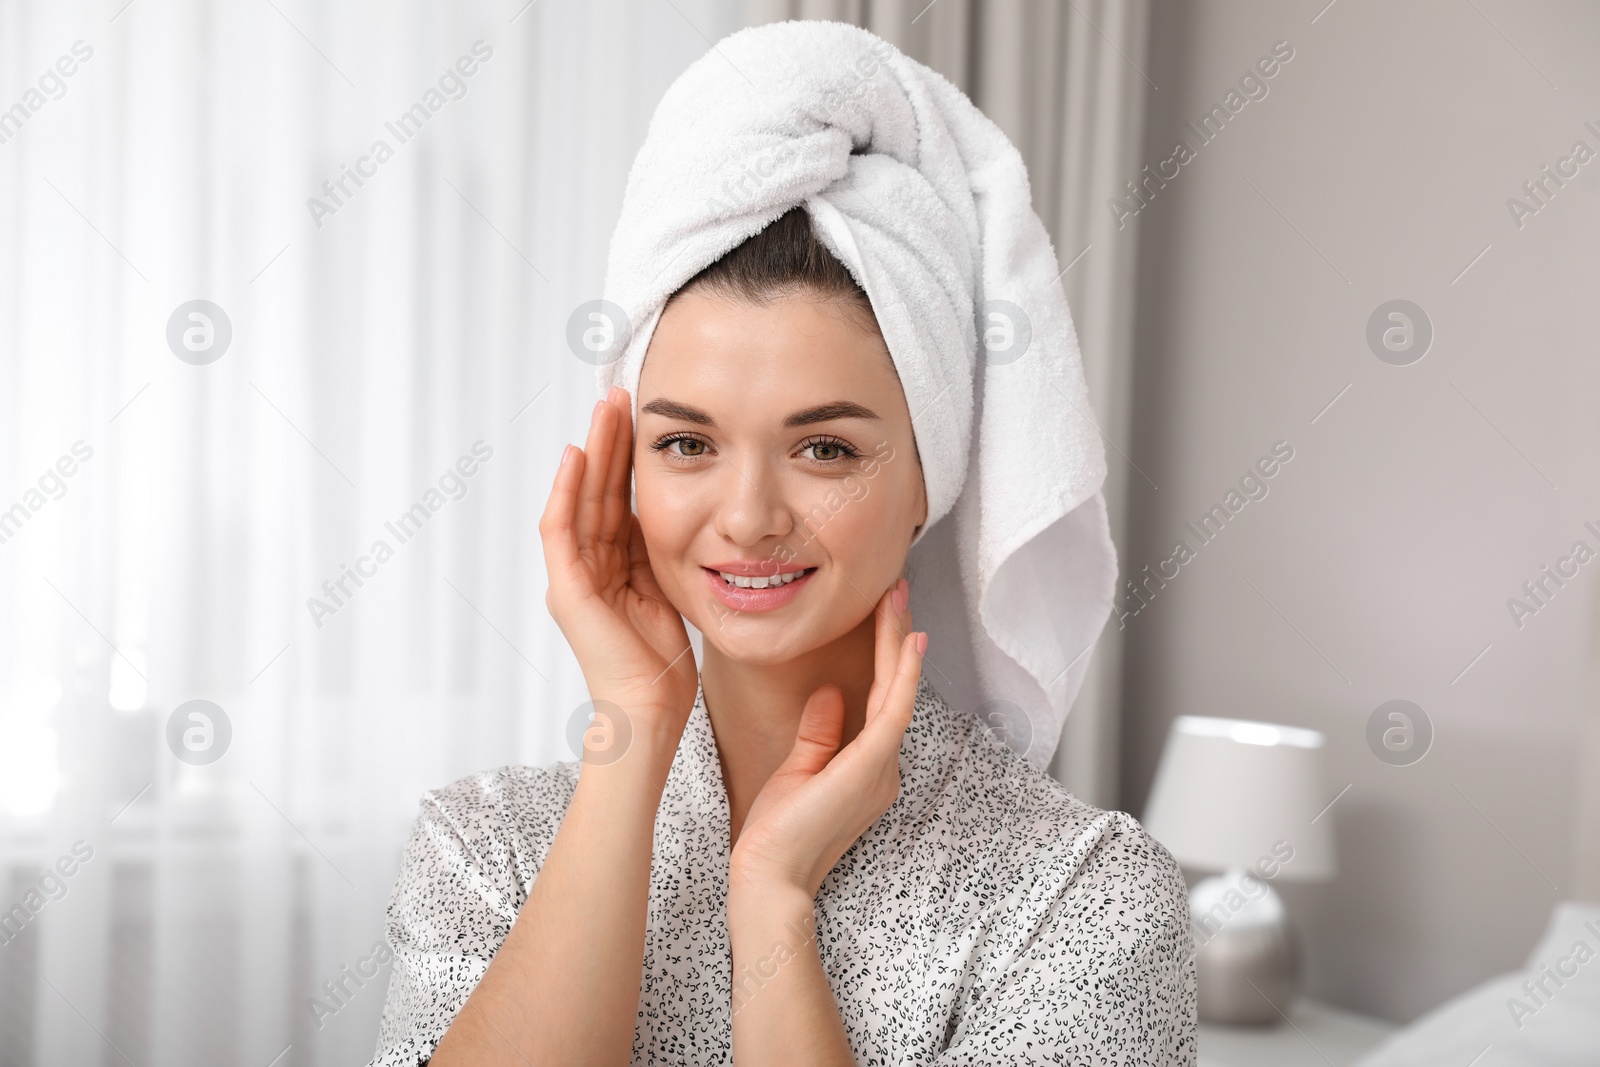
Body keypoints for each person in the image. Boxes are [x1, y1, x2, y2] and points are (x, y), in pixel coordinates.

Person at [367, 20, 1195, 1067]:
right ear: (628, 466)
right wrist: (632, 723)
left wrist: (774, 905)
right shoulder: (486, 847)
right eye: (685, 441)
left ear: (927, 481)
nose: (749, 513)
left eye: (823, 447)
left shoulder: (1080, 902)